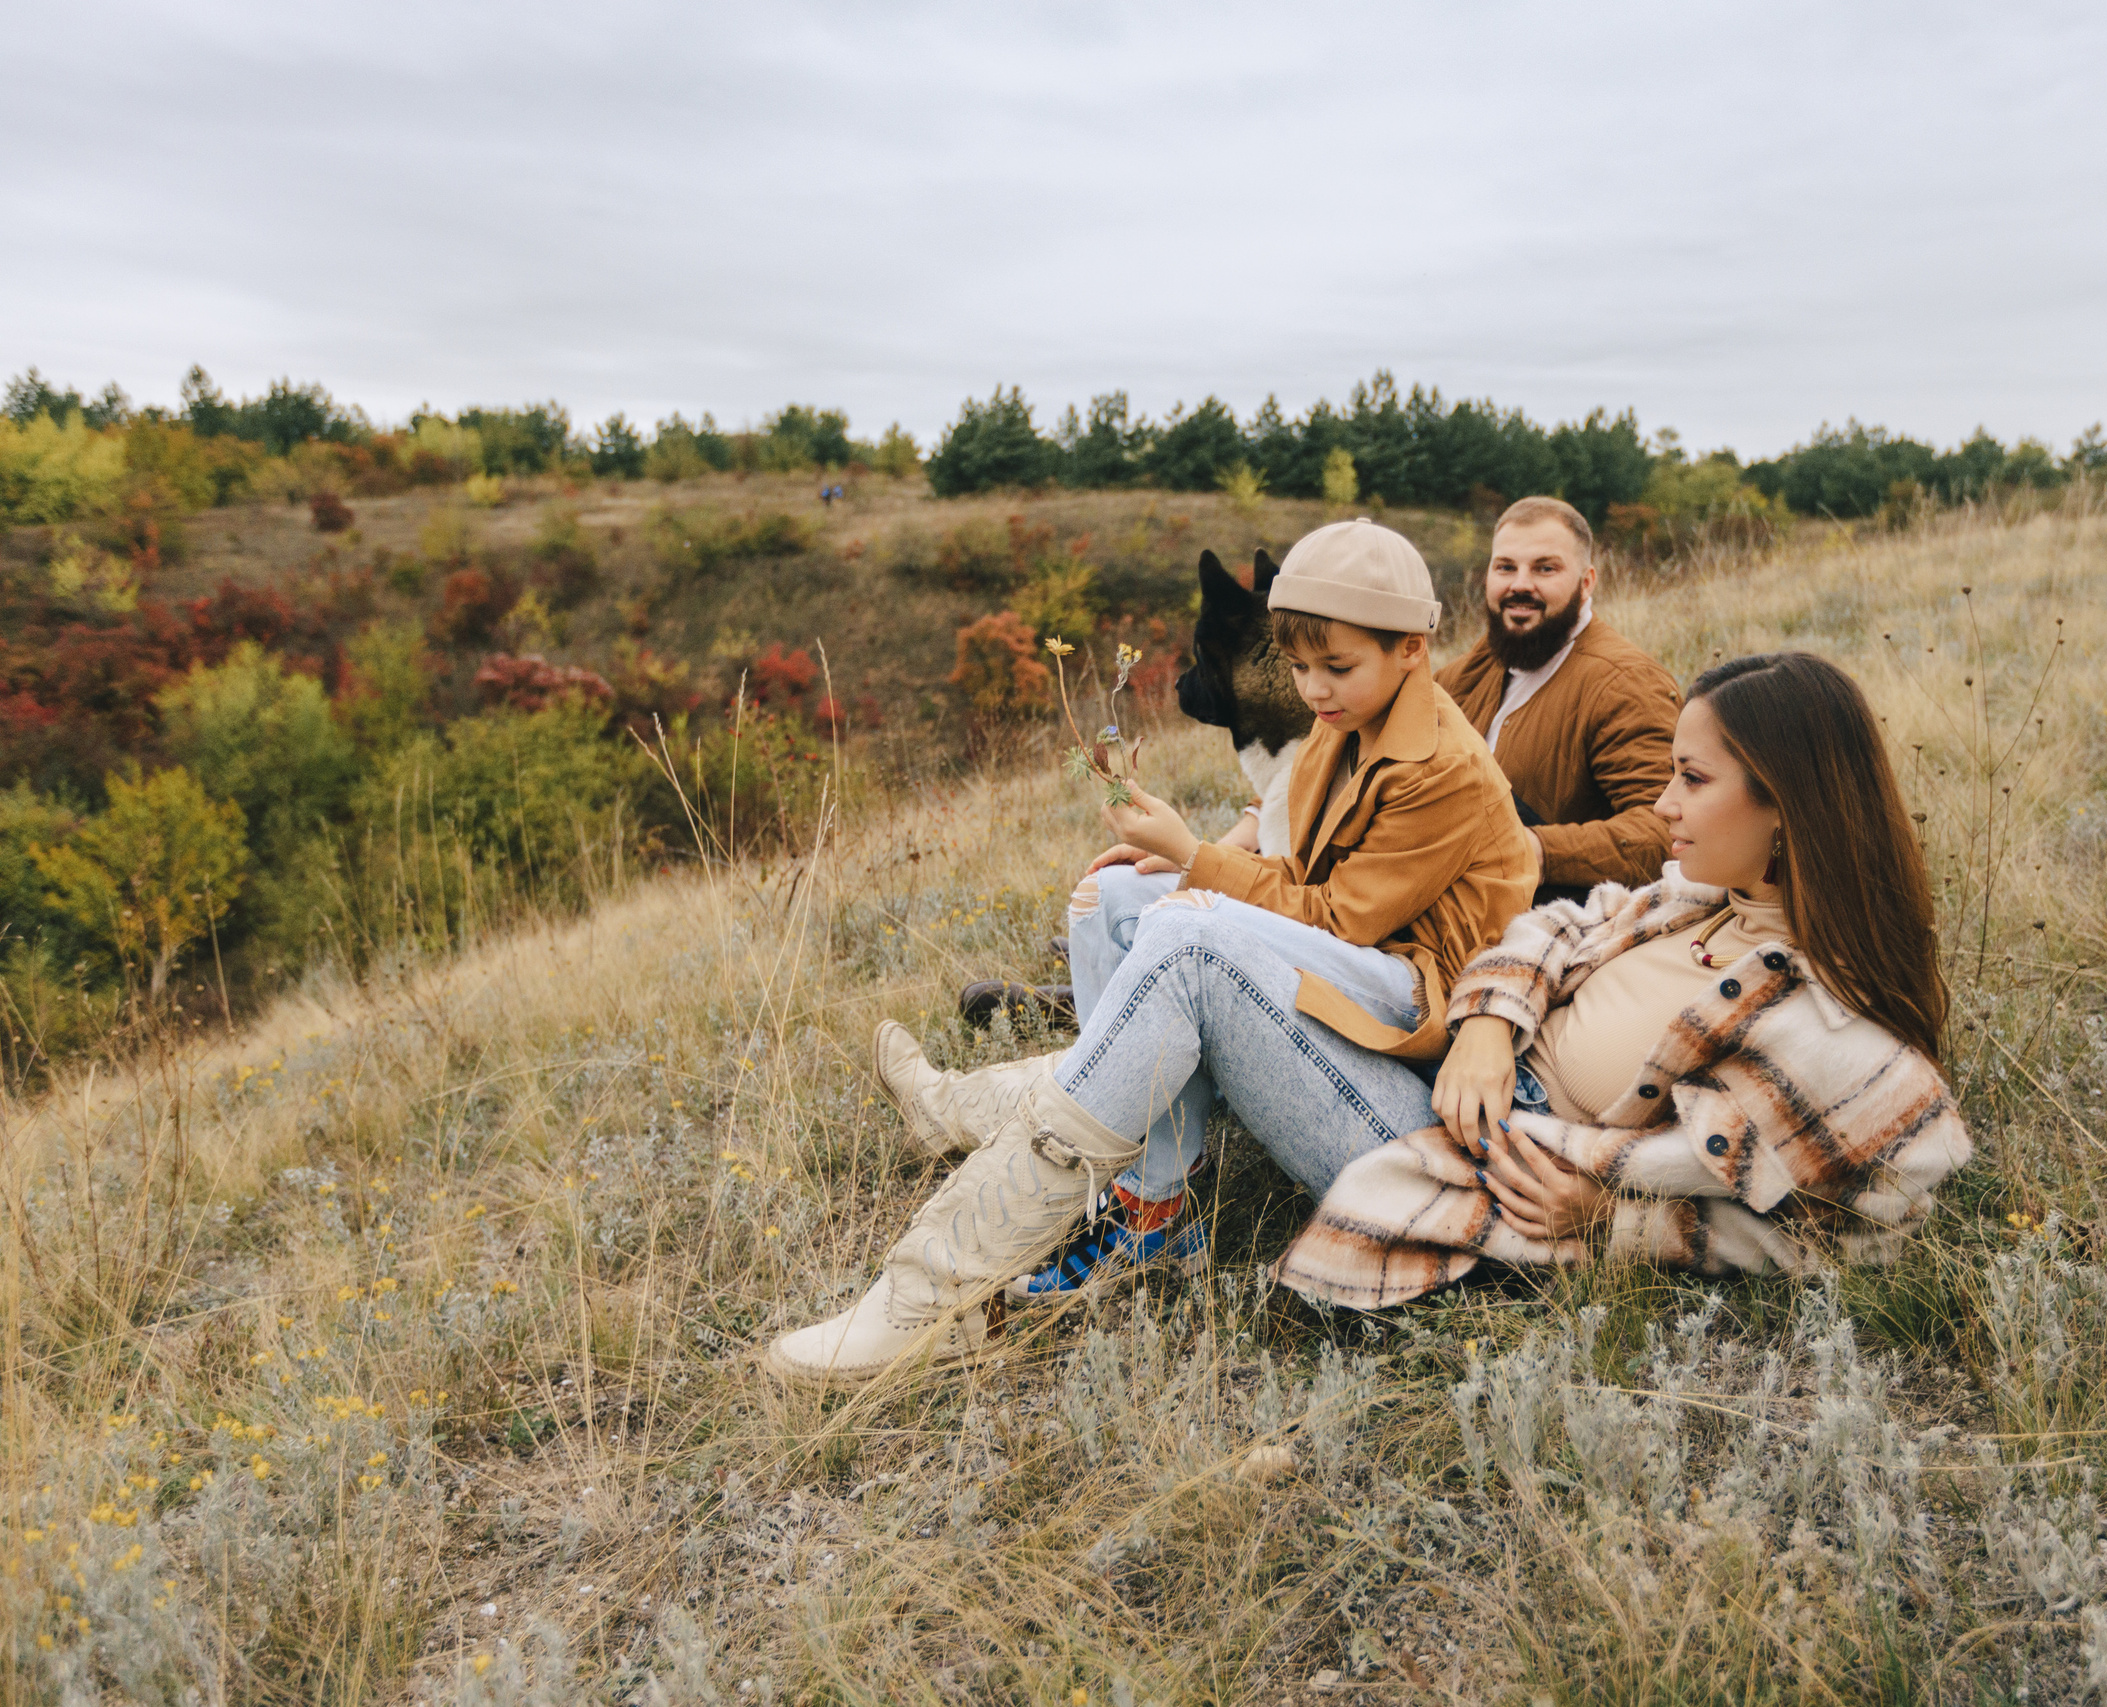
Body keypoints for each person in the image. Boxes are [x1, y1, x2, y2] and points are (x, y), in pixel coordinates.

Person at [766, 519, 1539, 1382]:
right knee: (1115, 897)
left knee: (1185, 923)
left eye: (1338, 666)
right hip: (1348, 976)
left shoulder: (1445, 765)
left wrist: (1196, 856)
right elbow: (1303, 872)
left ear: (1411, 648)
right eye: (1298, 665)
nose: (1314, 689)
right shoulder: (1350, 719)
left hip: (1412, 1009)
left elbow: (1343, 917)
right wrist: (1180, 861)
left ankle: (929, 1292)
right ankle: (1156, 1206)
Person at [1274, 651, 1974, 1306]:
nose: (1665, 802)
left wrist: (1619, 1221)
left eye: (1693, 780)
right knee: (1209, 924)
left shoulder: (1830, 1024)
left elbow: (1867, 1233)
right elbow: (1553, 925)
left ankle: (1161, 1224)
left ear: (1786, 807)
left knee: (1203, 953)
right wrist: (1488, 1024)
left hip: (1488, 1150)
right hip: (1471, 1051)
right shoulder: (1693, 896)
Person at [1435, 497, 1679, 897]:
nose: (1520, 585)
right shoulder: (1470, 672)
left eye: (1545, 568)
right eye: (1506, 567)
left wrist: (1537, 849)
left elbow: (1665, 832)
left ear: (1586, 583)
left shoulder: (1625, 683)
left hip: (1553, 914)